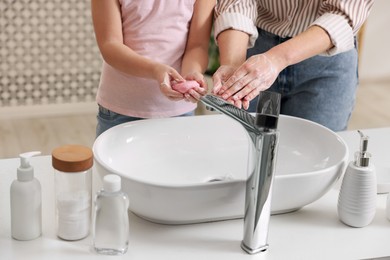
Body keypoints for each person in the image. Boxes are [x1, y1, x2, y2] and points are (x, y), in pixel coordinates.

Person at [212, 0, 375, 131]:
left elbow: (344, 14)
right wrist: (233, 64)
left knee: (314, 157)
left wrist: (275, 60)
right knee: (242, 151)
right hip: (254, 51)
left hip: (326, 56)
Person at [91, 0, 215, 137]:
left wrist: (191, 73)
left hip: (179, 112)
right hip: (121, 109)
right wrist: (155, 70)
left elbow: (197, 46)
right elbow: (110, 45)